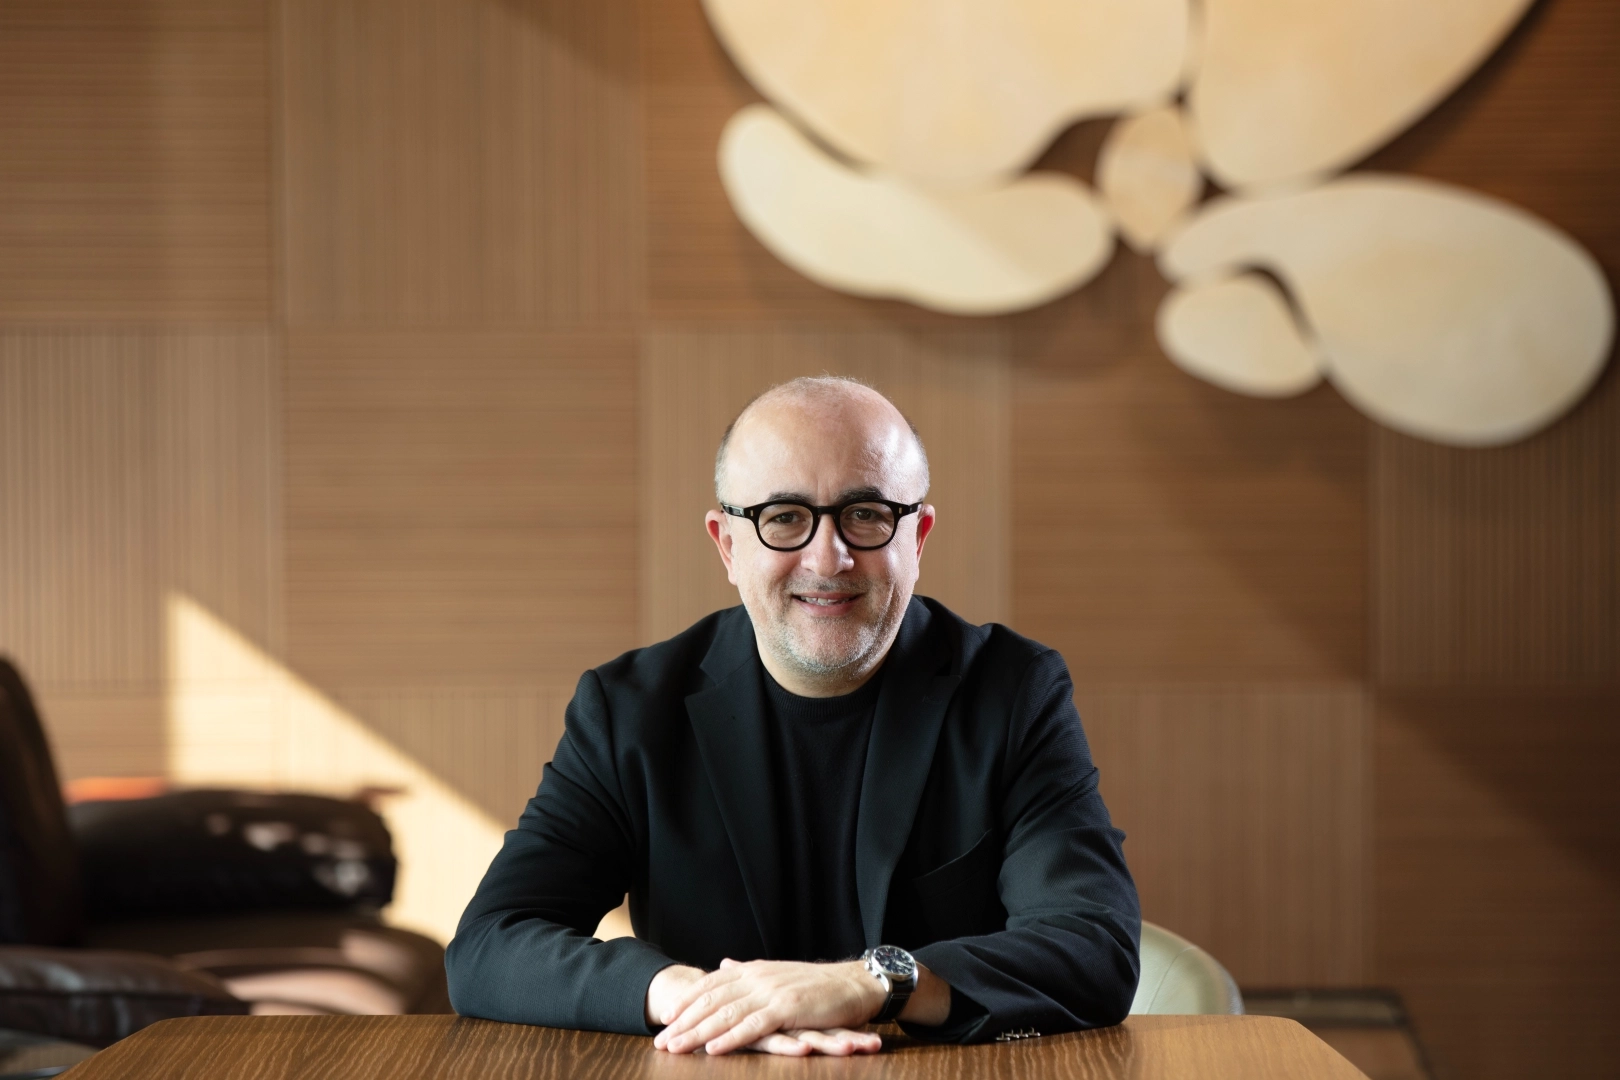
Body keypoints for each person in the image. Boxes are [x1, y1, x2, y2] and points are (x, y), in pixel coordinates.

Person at [446, 376, 1139, 1055]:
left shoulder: (1013, 693)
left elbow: (1093, 945)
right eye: (783, 517)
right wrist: (695, 998)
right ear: (727, 545)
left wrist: (874, 982)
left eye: (866, 513)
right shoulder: (629, 710)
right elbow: (490, 943)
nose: (828, 558)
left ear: (918, 536)